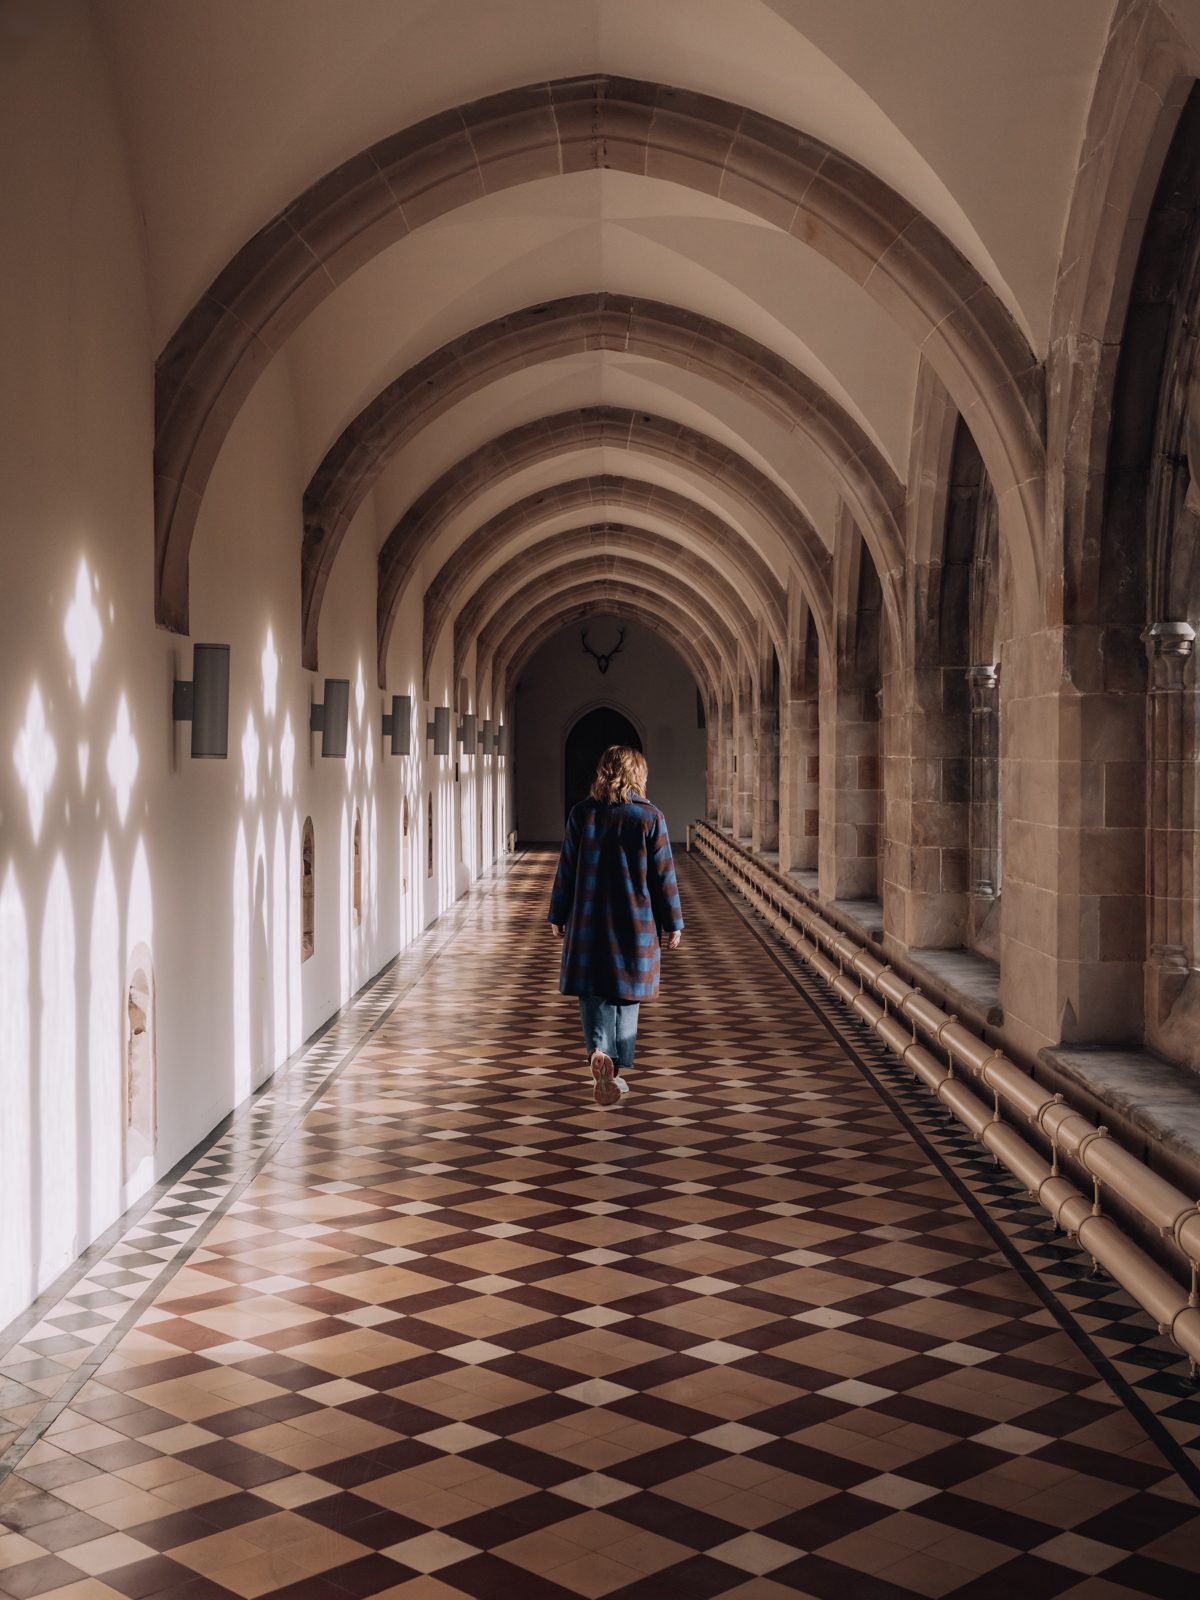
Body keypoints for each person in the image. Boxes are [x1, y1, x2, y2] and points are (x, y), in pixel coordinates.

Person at [548, 744, 684, 1106]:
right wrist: (674, 922)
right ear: (637, 774)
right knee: (628, 995)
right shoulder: (650, 818)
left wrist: (557, 915)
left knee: (593, 992)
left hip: (588, 918)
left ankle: (598, 1052)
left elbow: (566, 871)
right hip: (634, 921)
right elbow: (663, 877)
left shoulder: (582, 814)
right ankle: (617, 1066)